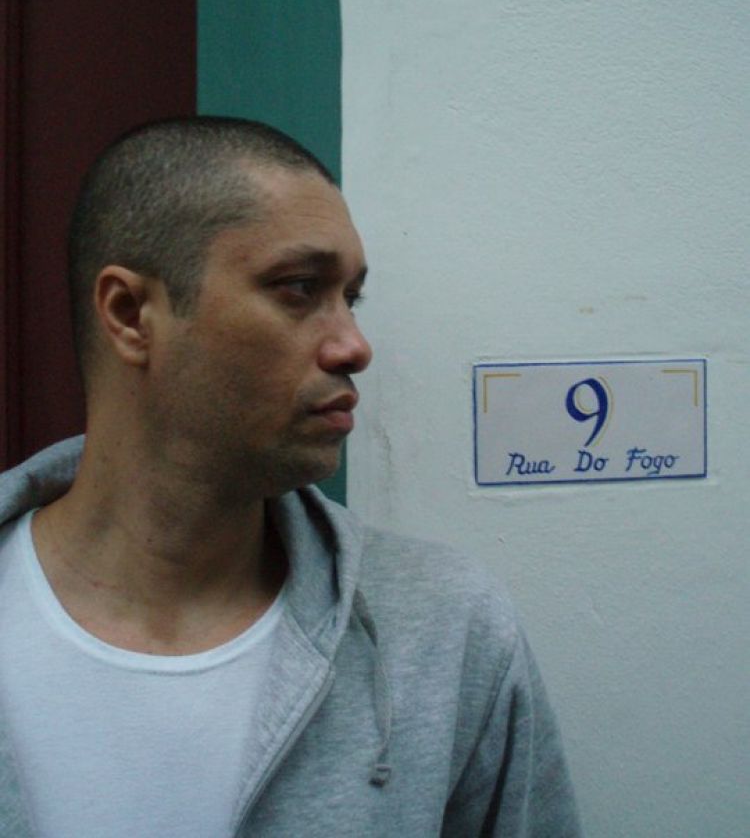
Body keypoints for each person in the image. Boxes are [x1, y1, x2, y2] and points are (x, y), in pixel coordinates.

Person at [0, 116, 582, 837]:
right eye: (300, 288)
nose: (354, 346)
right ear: (130, 314)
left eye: (351, 298)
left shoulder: (445, 633)